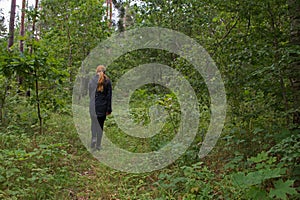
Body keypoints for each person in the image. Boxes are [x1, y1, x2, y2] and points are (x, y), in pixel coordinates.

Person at [89, 65, 112, 151]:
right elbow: (109, 96)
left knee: (93, 123)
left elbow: (90, 93)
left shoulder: (92, 80)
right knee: (100, 125)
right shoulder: (108, 81)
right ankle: (98, 144)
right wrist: (109, 109)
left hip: (93, 105)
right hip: (102, 107)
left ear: (96, 71)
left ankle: (93, 138)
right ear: (104, 71)